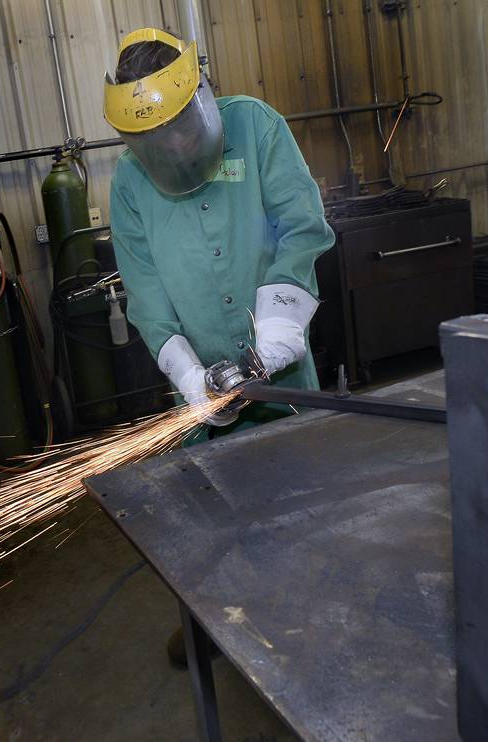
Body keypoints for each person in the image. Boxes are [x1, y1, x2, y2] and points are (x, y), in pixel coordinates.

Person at [103, 27, 335, 663]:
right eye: (156, 140)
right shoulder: (129, 185)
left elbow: (301, 224)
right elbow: (146, 298)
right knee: (208, 515)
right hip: (204, 383)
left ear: (201, 96)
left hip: (283, 365)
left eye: (183, 127)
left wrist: (282, 323)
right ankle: (215, 623)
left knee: (305, 497)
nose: (176, 145)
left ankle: (312, 618)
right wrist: (191, 380)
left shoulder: (255, 128)